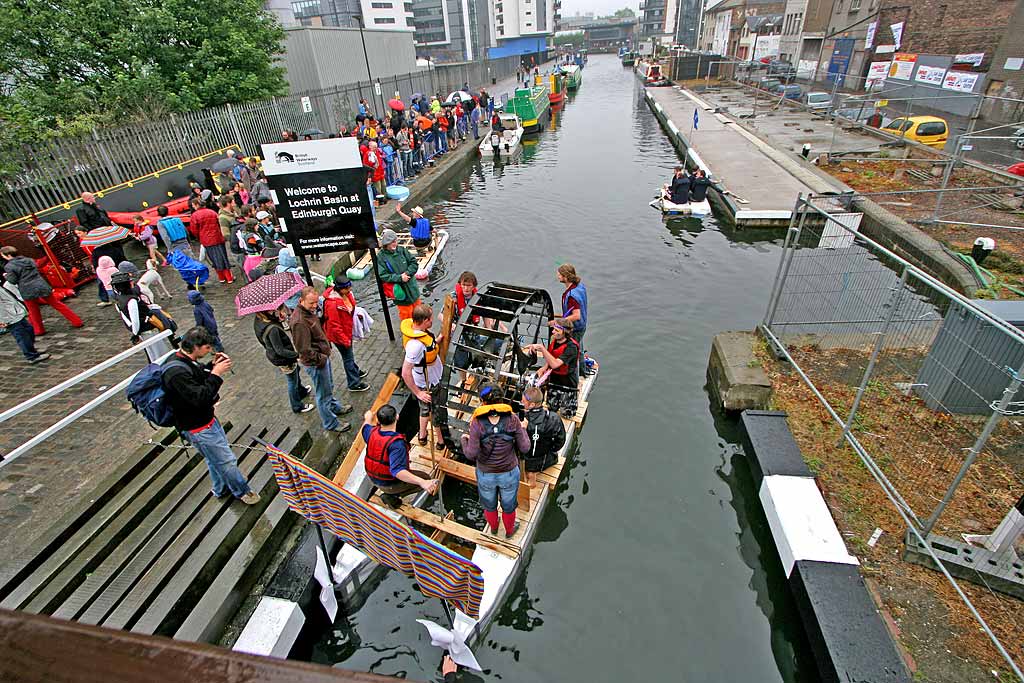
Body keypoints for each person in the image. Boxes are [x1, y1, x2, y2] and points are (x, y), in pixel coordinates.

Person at [162, 326, 260, 505]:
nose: (210, 350)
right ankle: (243, 491)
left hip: (207, 421)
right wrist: (217, 374)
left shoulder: (186, 360)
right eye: (207, 348)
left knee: (213, 458)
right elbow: (200, 397)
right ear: (196, 347)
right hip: (198, 428)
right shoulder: (176, 372)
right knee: (227, 462)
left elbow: (198, 379)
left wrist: (211, 367)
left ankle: (220, 488)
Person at [460, 384, 530, 538]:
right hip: (509, 473)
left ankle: (493, 528)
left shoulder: (477, 423)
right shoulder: (513, 419)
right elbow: (525, 447)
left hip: (486, 474)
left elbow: (471, 454)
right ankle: (510, 531)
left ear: (483, 402)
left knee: (489, 505)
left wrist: (463, 440)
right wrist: (523, 429)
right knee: (509, 505)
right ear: (501, 399)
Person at [290, 286, 354, 434]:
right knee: (323, 394)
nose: (314, 306)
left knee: (328, 387)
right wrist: (321, 359)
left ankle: (334, 407)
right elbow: (304, 350)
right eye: (311, 303)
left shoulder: (308, 313)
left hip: (321, 358)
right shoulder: (299, 322)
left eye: (315, 302)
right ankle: (330, 423)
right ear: (301, 301)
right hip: (316, 363)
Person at [362, 404, 439, 509]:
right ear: (397, 417)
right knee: (425, 477)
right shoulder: (397, 445)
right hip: (388, 484)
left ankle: (391, 492)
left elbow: (365, 426)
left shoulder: (370, 432)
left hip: (372, 478)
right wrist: (423, 482)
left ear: (378, 421)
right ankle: (392, 495)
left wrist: (368, 418)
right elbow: (398, 472)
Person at [1, 246, 83, 335]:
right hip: (40, 284)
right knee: (57, 304)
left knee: (33, 310)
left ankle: (39, 330)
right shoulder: (28, 260)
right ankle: (77, 321)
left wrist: (6, 276)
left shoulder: (9, 266)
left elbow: (13, 280)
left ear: (8, 255)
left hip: (27, 289)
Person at [401, 303, 446, 450]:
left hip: (429, 377)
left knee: (424, 409)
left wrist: (437, 341)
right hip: (428, 382)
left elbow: (428, 348)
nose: (433, 320)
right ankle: (440, 441)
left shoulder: (420, 333)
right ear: (425, 320)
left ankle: (422, 436)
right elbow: (405, 372)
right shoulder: (415, 346)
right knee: (435, 409)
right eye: (431, 318)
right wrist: (418, 392)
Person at [254, 305, 314, 414]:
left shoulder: (259, 320)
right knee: (292, 380)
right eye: (273, 308)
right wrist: (297, 355)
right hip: (284, 359)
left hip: (276, 355)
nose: (276, 309)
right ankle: (297, 406)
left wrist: (278, 319)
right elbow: (280, 350)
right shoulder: (272, 329)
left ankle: (301, 391)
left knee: (296, 372)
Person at [525, 317, 580, 417]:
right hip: (554, 380)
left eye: (556, 330)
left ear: (564, 332)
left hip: (567, 384)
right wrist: (544, 367)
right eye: (553, 329)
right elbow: (551, 356)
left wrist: (541, 348)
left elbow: (555, 364)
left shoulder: (571, 348)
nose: (553, 332)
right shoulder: (555, 341)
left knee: (567, 414)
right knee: (551, 407)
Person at [322, 279, 370, 392]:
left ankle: (355, 370)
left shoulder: (346, 294)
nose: (350, 290)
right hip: (339, 335)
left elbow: (351, 308)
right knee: (347, 358)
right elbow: (335, 326)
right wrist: (345, 340)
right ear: (340, 289)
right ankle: (353, 383)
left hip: (347, 330)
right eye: (347, 288)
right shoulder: (332, 304)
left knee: (349, 355)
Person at [521, 386, 565, 486]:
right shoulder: (554, 417)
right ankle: (532, 473)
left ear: (532, 405)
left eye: (523, 401)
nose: (521, 402)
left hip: (526, 461)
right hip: (546, 458)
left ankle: (530, 473)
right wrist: (552, 449)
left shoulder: (522, 420)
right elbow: (561, 441)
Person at [376, 228, 421, 320]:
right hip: (401, 293)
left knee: (419, 313)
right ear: (386, 244)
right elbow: (383, 275)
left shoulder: (402, 250)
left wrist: (407, 273)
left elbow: (414, 263)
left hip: (412, 289)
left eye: (395, 241)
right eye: (392, 242)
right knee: (406, 316)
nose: (395, 244)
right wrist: (400, 278)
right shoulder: (381, 257)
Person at [0, 282, 49, 363]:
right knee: (22, 336)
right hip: (10, 317)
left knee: (29, 330)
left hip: (15, 313)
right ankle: (31, 356)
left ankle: (32, 351)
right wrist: (4, 320)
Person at [189, 197, 234, 283]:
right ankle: (229, 277)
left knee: (214, 259)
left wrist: (200, 237)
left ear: (197, 205)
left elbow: (194, 230)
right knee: (223, 257)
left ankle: (221, 277)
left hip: (207, 241)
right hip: (218, 238)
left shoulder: (195, 215)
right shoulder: (212, 212)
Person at [556, 263, 588, 344]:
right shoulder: (579, 286)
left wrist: (559, 322)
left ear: (565, 277)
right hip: (582, 325)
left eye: (559, 275)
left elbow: (576, 316)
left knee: (573, 351)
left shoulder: (571, 296)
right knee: (579, 349)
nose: (558, 277)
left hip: (575, 329)